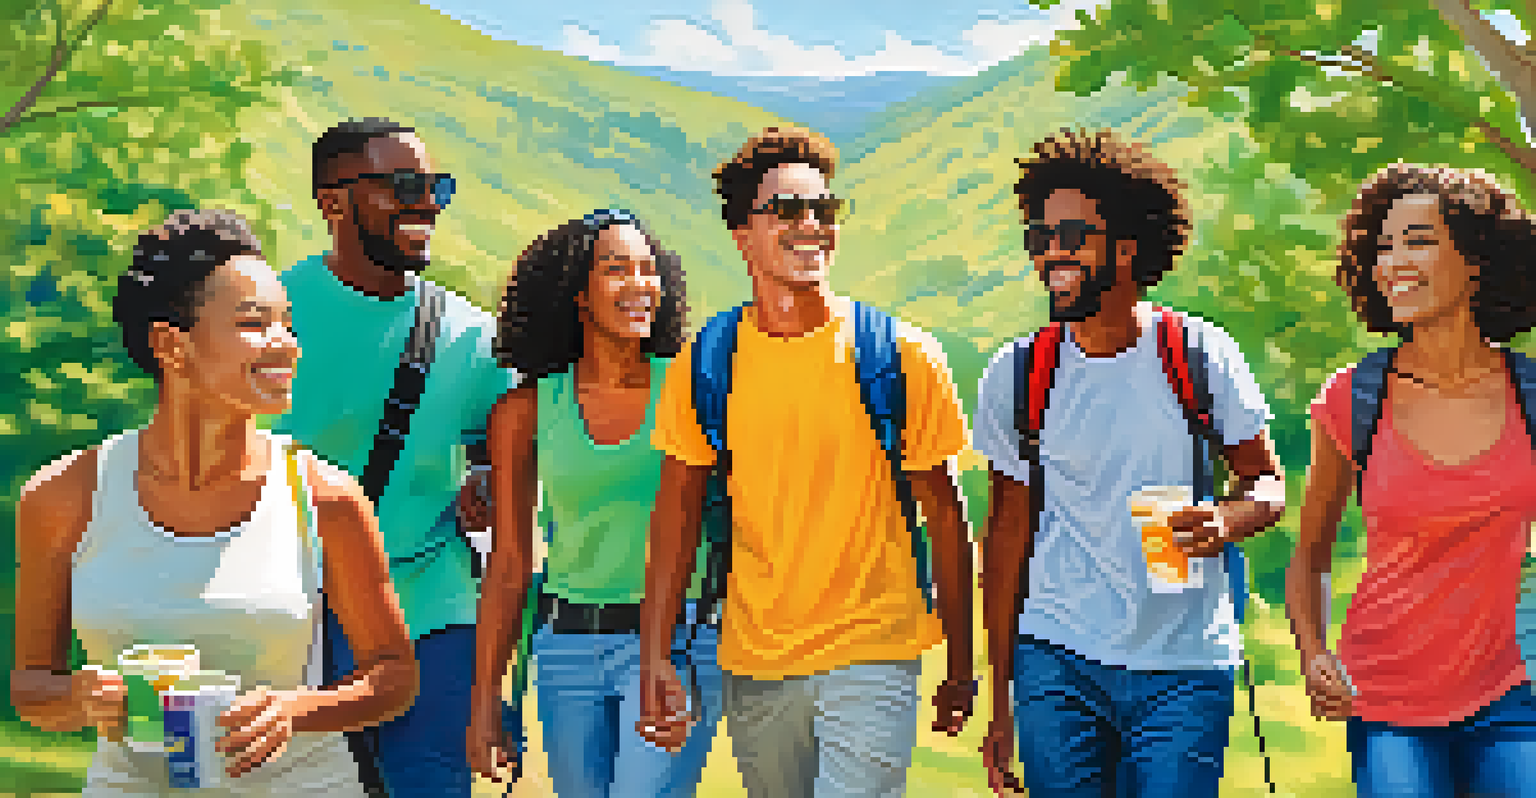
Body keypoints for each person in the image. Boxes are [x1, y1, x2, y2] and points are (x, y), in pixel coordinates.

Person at [11, 209, 419, 796]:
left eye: (288, 324)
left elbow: (393, 675)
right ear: (169, 345)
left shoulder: (325, 496)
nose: (287, 347)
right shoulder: (62, 496)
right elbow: (31, 685)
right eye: (255, 324)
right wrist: (77, 697)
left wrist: (295, 711)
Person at [635, 126, 977, 798]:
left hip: (875, 651)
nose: (811, 224)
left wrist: (961, 663)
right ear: (742, 236)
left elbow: (946, 513)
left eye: (824, 209)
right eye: (787, 210)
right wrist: (657, 655)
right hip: (754, 659)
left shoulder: (901, 356)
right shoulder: (709, 362)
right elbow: (675, 514)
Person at [973, 128, 1286, 798]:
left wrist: (1228, 520)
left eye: (1072, 234)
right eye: (1041, 236)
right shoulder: (1019, 373)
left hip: (1184, 664)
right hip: (1056, 659)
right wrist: (998, 697)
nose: (1052, 251)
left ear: (1128, 245)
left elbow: (1266, 481)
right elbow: (1005, 540)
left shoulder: (1198, 354)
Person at [271, 118, 523, 796]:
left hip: (433, 609)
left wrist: (488, 477)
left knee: (431, 785)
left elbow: (508, 453)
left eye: (436, 186)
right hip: (302, 615)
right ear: (332, 202)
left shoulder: (473, 337)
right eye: (404, 185)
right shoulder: (274, 316)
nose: (427, 204)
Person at [1287, 163, 1536, 798]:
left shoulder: (1529, 395)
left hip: (1514, 689)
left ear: (1478, 260)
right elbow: (1311, 552)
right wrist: (1313, 651)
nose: (1394, 261)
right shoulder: (1354, 398)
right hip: (1387, 699)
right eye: (1384, 246)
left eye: (1418, 241)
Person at [468, 209, 723, 796]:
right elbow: (509, 563)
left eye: (647, 270)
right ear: (577, 294)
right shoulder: (525, 412)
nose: (640, 285)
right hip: (565, 650)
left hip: (675, 641)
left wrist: (664, 652)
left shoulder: (690, 391)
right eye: (617, 270)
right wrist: (485, 698)